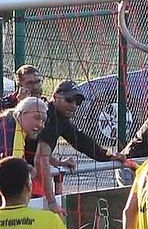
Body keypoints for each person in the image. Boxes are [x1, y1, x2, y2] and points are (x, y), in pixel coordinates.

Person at [34, 81, 128, 215]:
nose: (73, 105)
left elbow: (82, 142)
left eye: (77, 101)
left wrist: (108, 155)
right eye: (69, 99)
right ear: (55, 96)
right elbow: (39, 160)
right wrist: (51, 202)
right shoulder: (49, 119)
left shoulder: (60, 119)